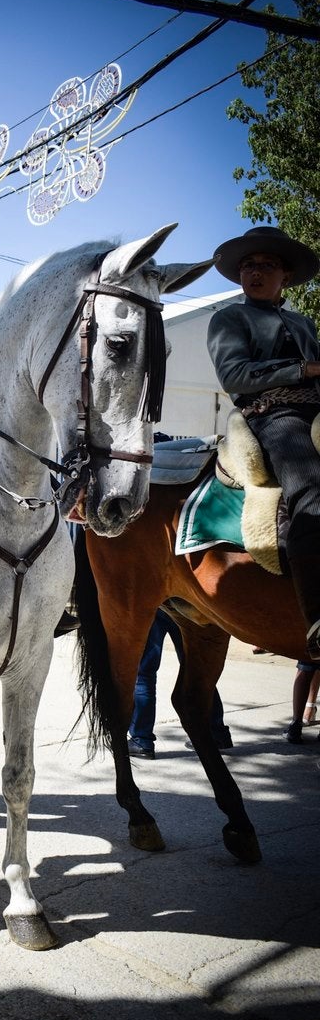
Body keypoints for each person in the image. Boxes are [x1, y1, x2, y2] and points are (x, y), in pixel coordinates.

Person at [208, 225, 320, 659]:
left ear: (285, 276)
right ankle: (318, 618)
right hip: (273, 414)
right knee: (310, 491)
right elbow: (234, 376)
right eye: (248, 266)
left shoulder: (303, 322)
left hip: (316, 409)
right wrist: (302, 371)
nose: (254, 272)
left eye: (266, 265)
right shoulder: (229, 319)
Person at [128, 609, 232, 758]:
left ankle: (141, 739)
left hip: (155, 603)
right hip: (183, 603)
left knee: (144, 673)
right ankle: (216, 733)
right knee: (197, 670)